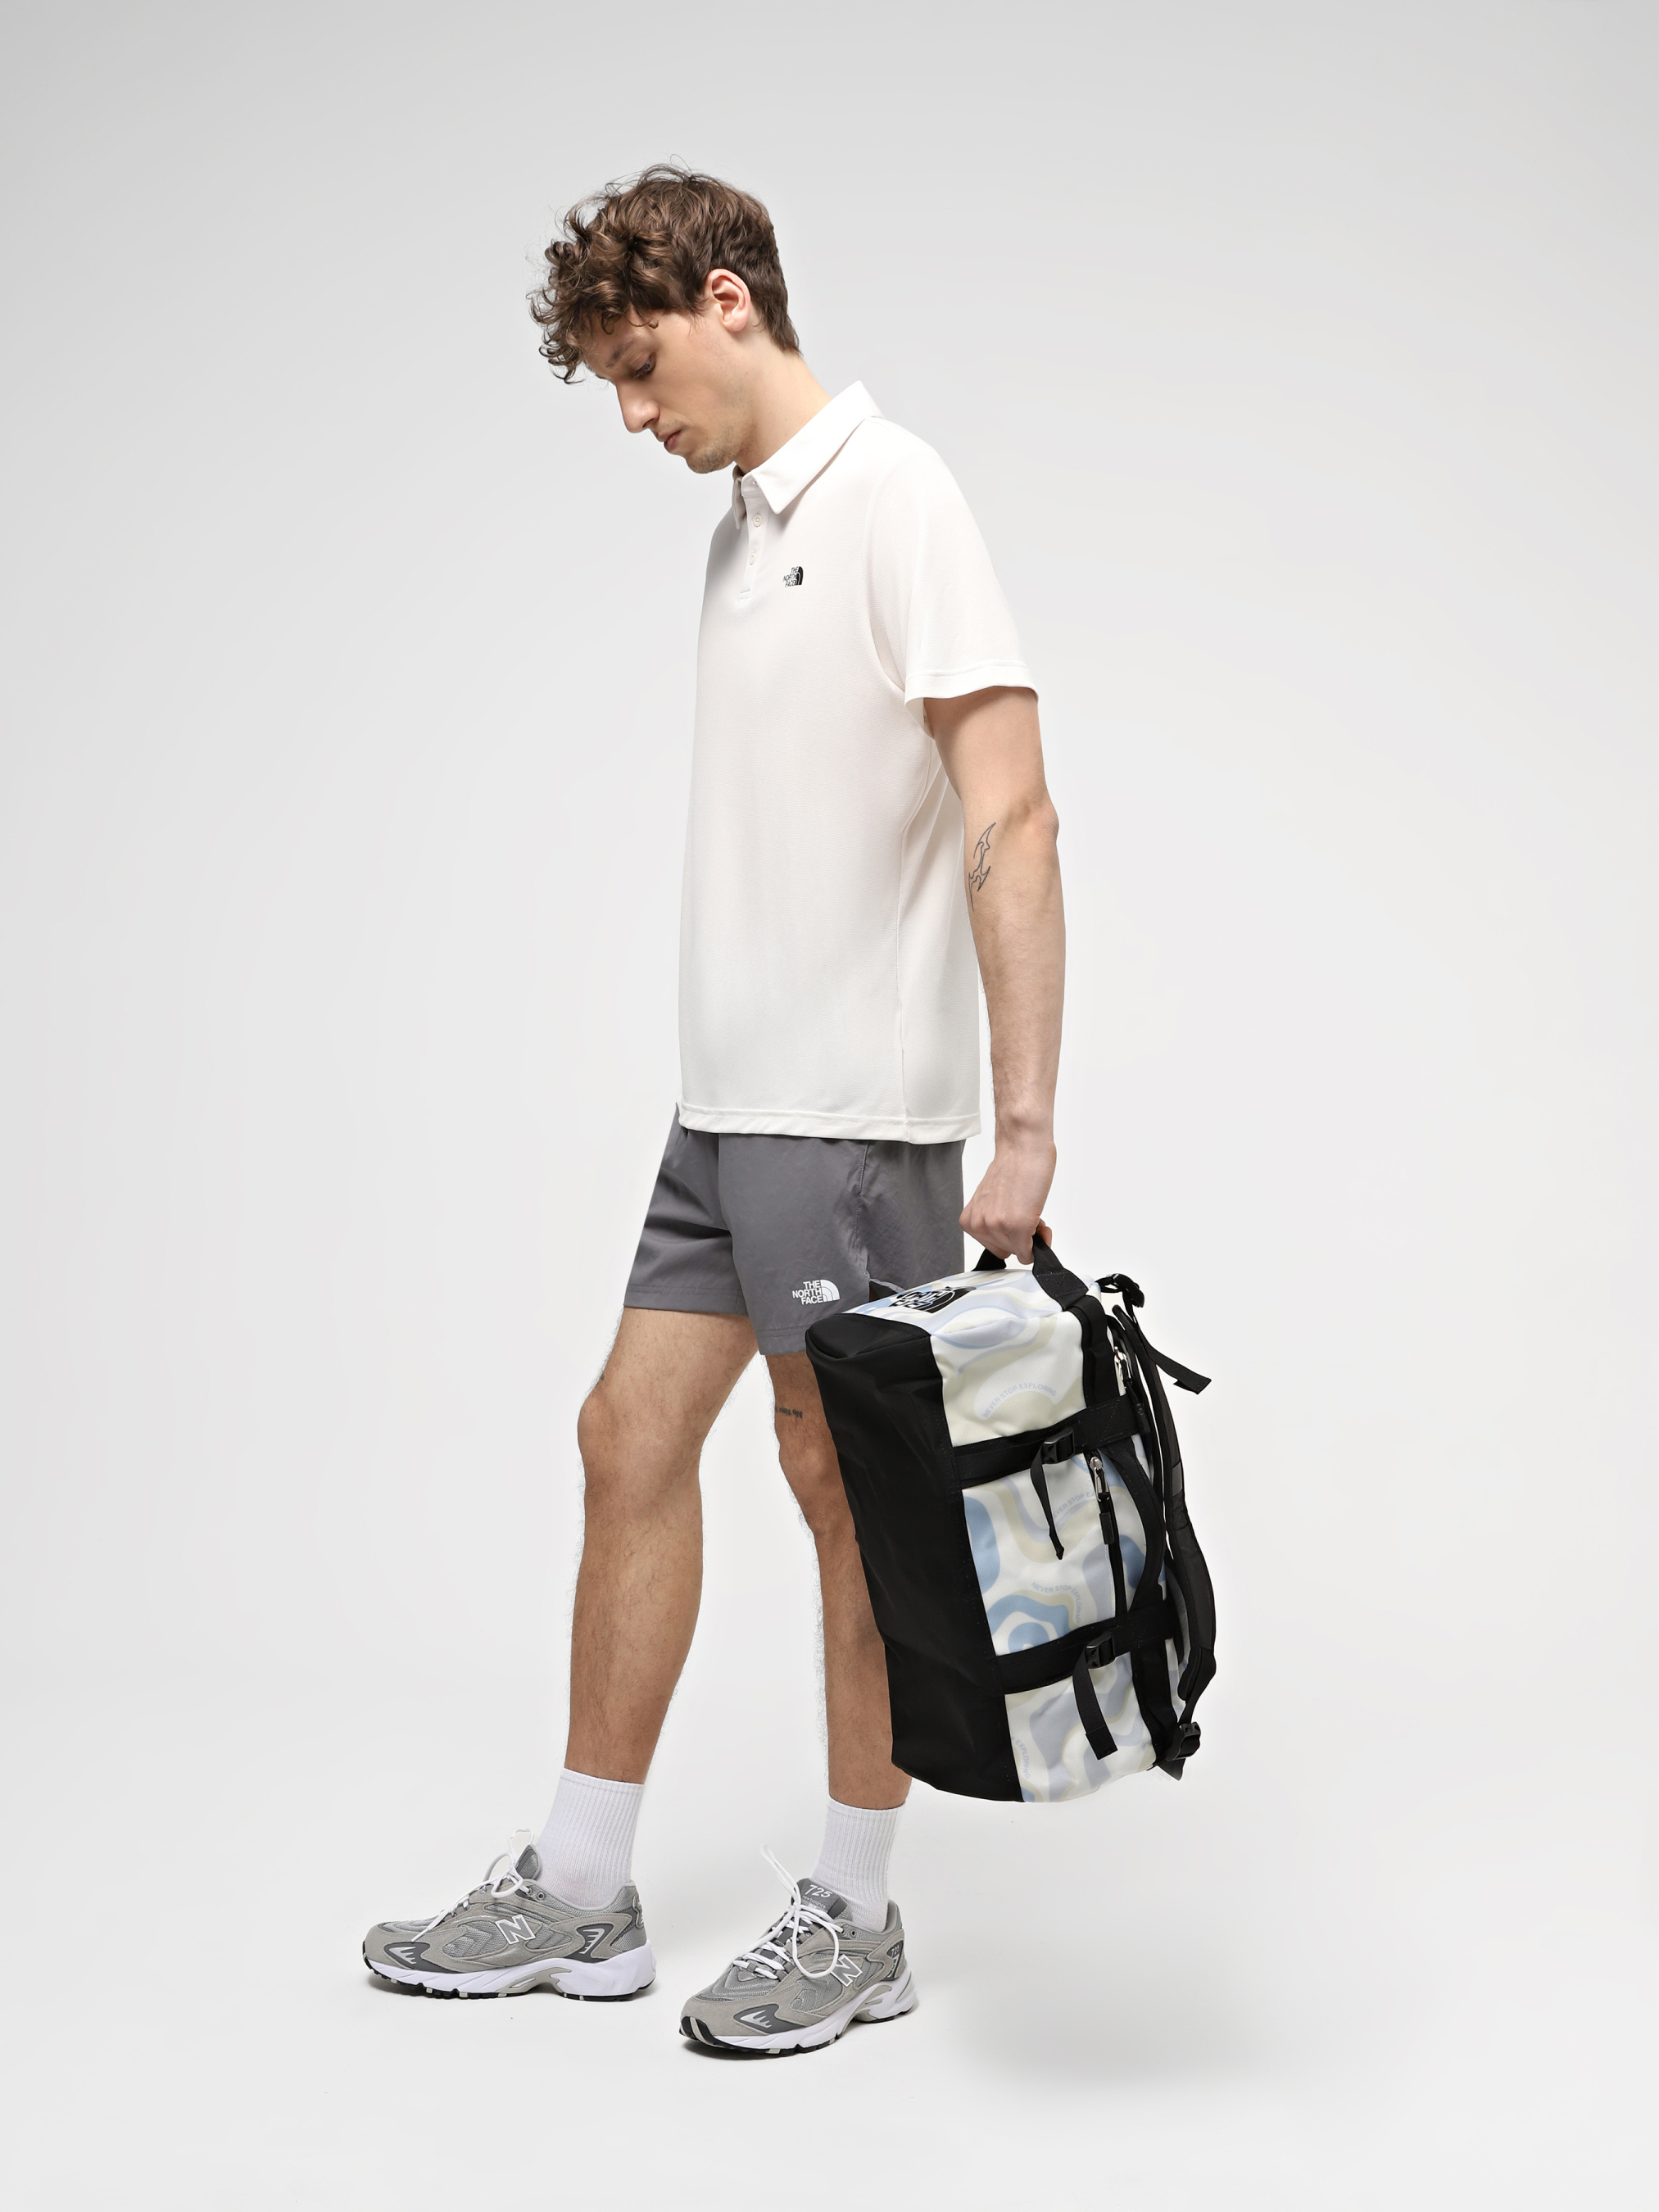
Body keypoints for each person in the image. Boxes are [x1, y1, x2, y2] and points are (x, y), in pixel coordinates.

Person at [362, 166, 1065, 2056]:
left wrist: (1020, 1128)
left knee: (842, 1495)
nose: (630, 413)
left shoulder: (895, 497)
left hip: (847, 1118)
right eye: (608, 379)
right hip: (727, 1106)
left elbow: (1010, 815)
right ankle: (580, 1887)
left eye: (639, 365)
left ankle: (855, 1914)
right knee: (624, 1436)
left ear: (729, 302)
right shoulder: (741, 535)